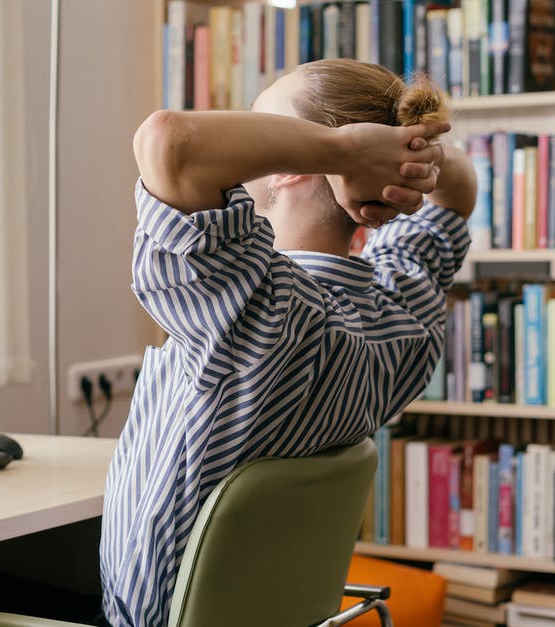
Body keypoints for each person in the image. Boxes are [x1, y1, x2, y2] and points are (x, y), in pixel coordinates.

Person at [99, 58, 477, 627]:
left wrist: (342, 151)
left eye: (262, 127)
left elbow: (169, 141)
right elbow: (460, 191)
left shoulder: (249, 305)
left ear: (289, 169)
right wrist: (401, 157)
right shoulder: (401, 311)